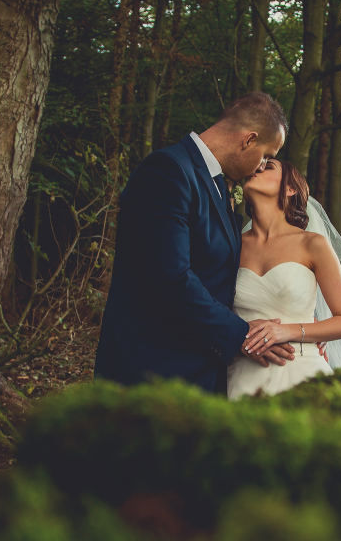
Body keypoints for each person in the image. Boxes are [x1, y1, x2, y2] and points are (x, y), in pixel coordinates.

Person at [94, 92, 310, 392]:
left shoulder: (219, 186)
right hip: (152, 368)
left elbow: (221, 279)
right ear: (248, 140)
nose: (261, 166)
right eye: (266, 156)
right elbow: (170, 277)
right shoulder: (168, 171)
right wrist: (244, 336)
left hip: (199, 369)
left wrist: (299, 332)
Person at [226, 158, 341, 400]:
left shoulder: (312, 244)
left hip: (302, 371)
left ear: (290, 188)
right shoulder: (232, 245)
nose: (256, 167)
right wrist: (238, 333)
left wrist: (287, 331)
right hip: (243, 375)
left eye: (268, 166)